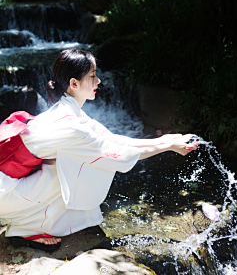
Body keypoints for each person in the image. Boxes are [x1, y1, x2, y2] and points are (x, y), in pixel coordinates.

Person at [0, 49, 198, 252]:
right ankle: (24, 229)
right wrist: (168, 146)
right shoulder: (71, 125)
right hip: (5, 194)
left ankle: (28, 220)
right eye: (93, 76)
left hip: (11, 185)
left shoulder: (69, 110)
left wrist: (164, 140)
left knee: (71, 162)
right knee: (72, 168)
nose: (99, 81)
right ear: (74, 84)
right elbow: (116, 154)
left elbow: (110, 139)